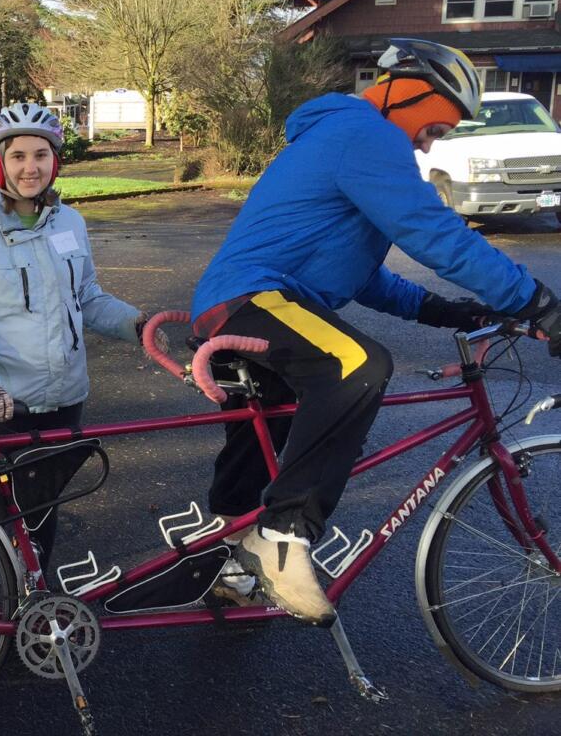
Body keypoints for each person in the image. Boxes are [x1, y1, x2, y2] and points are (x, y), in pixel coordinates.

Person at [190, 38, 561, 626]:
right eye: (436, 127)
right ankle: (281, 540)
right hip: (251, 301)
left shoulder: (346, 138)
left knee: (270, 431)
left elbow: (363, 276)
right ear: (406, 93)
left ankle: (230, 564)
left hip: (253, 302)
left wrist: (445, 311)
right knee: (355, 366)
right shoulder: (365, 134)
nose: (429, 142)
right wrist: (536, 301)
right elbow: (436, 234)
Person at [0, 102, 147, 668]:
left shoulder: (70, 224)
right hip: (5, 402)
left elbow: (90, 299)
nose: (31, 167)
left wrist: (139, 326)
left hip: (65, 394)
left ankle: (31, 597)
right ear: (0, 164)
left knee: (44, 505)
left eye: (41, 155)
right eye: (19, 156)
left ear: (56, 161)